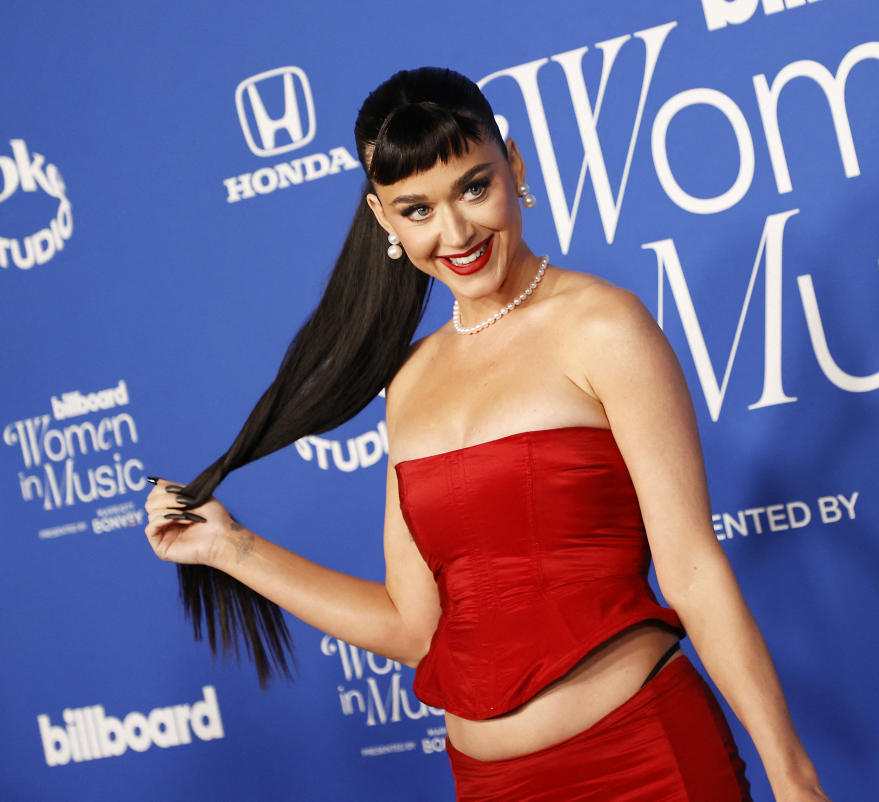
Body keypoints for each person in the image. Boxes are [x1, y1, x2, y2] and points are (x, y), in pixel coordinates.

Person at [144, 67, 829, 802]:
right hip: (491, 783)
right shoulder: (407, 380)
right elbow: (414, 627)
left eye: (474, 187)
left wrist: (793, 778)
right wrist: (231, 548)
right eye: (417, 209)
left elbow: (690, 568)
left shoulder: (604, 327)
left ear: (515, 167)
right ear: (384, 220)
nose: (457, 233)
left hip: (644, 757)